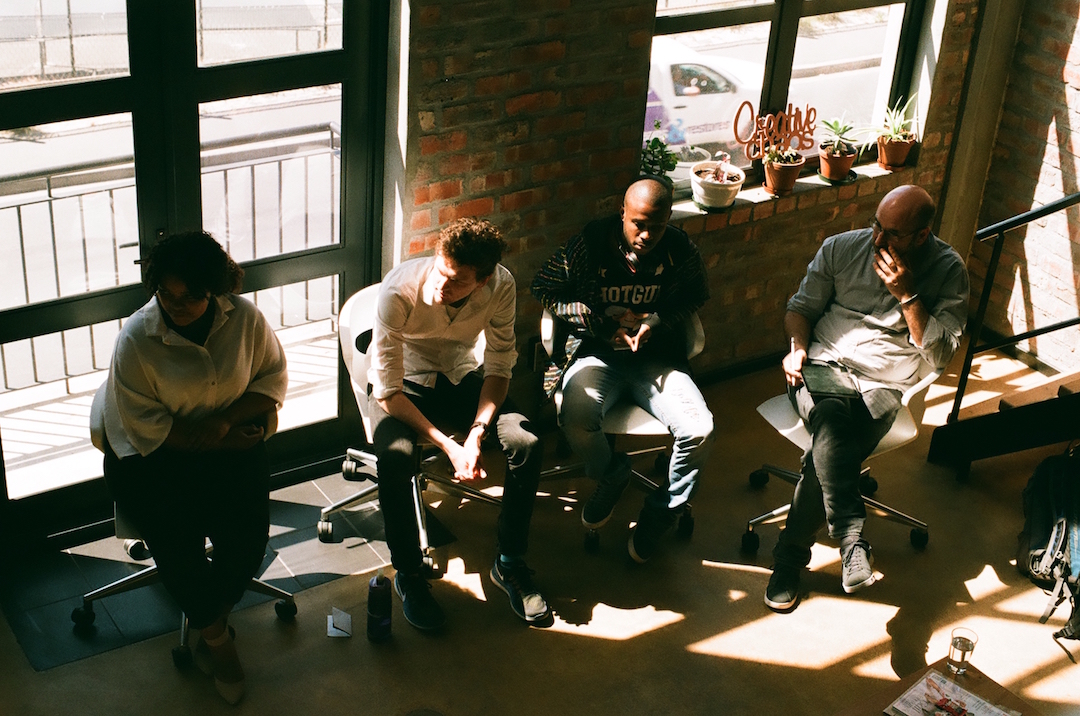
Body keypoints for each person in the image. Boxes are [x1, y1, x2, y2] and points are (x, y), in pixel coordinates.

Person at [101, 231, 287, 704]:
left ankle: (210, 618)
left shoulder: (245, 320)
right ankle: (220, 643)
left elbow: (272, 378)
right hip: (157, 456)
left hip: (226, 440)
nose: (175, 305)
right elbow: (147, 428)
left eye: (191, 295)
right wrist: (222, 443)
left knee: (248, 537)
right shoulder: (137, 339)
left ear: (216, 290)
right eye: (166, 293)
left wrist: (228, 421)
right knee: (176, 542)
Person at [765, 184, 969, 613]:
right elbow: (799, 308)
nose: (878, 239)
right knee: (834, 425)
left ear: (921, 235)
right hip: (820, 365)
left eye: (892, 233)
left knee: (824, 450)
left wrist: (908, 296)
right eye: (877, 224)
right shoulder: (841, 248)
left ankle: (789, 557)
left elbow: (942, 354)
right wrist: (798, 346)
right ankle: (851, 539)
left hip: (884, 383)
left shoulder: (949, 270)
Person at [367, 217, 550, 631]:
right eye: (441, 272)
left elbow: (500, 366)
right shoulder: (399, 291)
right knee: (396, 457)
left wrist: (477, 431)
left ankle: (510, 562)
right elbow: (387, 390)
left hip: (460, 374)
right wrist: (450, 447)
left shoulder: (500, 287)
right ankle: (409, 574)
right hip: (404, 386)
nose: (441, 286)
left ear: (481, 281)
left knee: (525, 441)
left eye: (456, 282)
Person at [531, 177, 715, 563]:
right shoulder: (591, 244)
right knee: (575, 415)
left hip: (656, 359)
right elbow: (545, 286)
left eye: (658, 226)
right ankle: (611, 474)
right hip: (597, 354)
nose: (647, 235)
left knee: (700, 429)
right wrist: (601, 324)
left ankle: (661, 512)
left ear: (669, 220)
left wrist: (657, 321)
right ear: (623, 214)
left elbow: (697, 293)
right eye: (639, 224)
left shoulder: (679, 249)